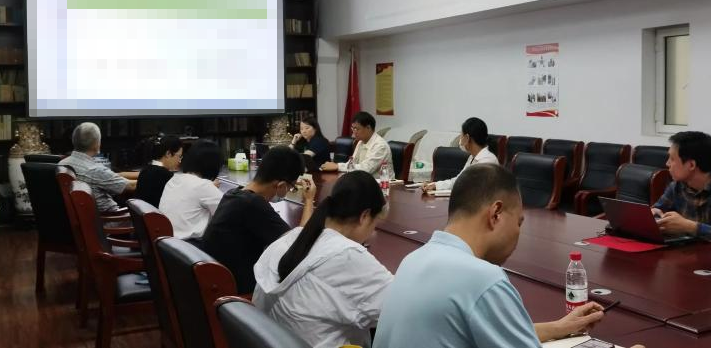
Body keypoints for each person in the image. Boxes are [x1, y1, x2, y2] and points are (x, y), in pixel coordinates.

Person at [372, 164, 608, 348]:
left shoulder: (413, 260)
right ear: (496, 214)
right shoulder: (483, 279)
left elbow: (499, 332)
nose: (518, 234)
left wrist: (559, 327)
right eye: (518, 223)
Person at [253, 171, 392, 348]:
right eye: (374, 225)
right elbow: (401, 309)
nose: (370, 233)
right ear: (364, 216)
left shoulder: (293, 238)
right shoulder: (348, 256)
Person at [202, 146, 316, 294]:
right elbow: (299, 244)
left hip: (214, 283)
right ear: (281, 185)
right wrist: (309, 200)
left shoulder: (234, 194)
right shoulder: (253, 204)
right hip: (238, 293)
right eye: (291, 187)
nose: (289, 191)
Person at [58, 122, 136, 213]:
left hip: (87, 215)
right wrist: (150, 177)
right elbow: (131, 186)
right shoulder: (94, 170)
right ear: (96, 143)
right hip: (112, 218)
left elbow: (112, 176)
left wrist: (142, 174)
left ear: (74, 141)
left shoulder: (62, 163)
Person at [158, 139, 224, 239]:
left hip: (167, 243)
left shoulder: (173, 180)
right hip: (189, 245)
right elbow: (228, 213)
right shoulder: (203, 186)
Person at [423, 117, 499, 192]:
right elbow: (459, 181)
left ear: (467, 138)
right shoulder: (472, 157)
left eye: (461, 135)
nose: (460, 139)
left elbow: (472, 188)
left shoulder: (487, 160)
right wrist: (435, 185)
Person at [321, 111, 389, 175]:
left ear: (368, 128)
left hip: (382, 182)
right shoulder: (361, 142)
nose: (354, 132)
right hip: (363, 179)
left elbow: (367, 169)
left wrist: (337, 166)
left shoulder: (380, 145)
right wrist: (335, 165)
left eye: (356, 129)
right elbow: (351, 164)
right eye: (352, 128)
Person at [135, 135, 182, 208]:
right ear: (168, 154)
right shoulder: (165, 175)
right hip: (158, 214)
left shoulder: (145, 170)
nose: (179, 161)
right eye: (179, 156)